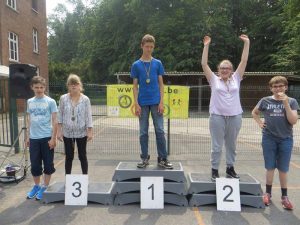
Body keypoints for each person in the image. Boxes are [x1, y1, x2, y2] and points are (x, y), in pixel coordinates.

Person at [201, 34, 250, 181]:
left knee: (231, 145)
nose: (224, 70)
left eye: (227, 68)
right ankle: (215, 170)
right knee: (216, 146)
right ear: (218, 69)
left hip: (235, 116)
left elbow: (244, 60)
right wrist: (206, 46)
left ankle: (230, 168)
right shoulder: (213, 80)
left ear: (231, 70)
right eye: (222, 68)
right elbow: (204, 64)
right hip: (217, 116)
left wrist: (247, 43)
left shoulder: (236, 78)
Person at [252, 76, 298, 210]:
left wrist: (286, 104)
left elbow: (293, 121)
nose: (278, 89)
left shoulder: (292, 101)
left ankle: (284, 197)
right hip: (269, 138)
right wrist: (260, 123)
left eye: (280, 86)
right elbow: (254, 113)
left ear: (285, 87)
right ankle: (268, 193)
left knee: (283, 169)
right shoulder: (265, 100)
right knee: (270, 167)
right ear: (271, 88)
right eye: (275, 87)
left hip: (286, 139)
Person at [131, 34, 173, 169]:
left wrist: (161, 102)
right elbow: (135, 86)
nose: (149, 49)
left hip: (156, 102)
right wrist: (136, 104)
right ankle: (144, 158)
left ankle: (163, 158)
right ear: (141, 46)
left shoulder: (158, 63)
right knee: (143, 132)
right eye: (147, 46)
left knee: (160, 130)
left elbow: (161, 84)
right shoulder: (136, 65)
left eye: (151, 47)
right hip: (142, 103)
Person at [26, 76, 58, 200]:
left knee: (48, 164)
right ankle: (37, 186)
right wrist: (28, 137)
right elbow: (29, 120)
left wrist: (53, 138)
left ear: (45, 87)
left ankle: (45, 187)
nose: (39, 89)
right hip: (34, 139)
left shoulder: (51, 101)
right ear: (32, 87)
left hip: (46, 138)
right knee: (35, 165)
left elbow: (55, 121)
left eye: (41, 87)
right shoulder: (30, 101)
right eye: (36, 87)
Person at [57, 74, 93, 174]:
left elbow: (88, 115)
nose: (73, 86)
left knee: (82, 155)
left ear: (79, 85)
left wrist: (90, 131)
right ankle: (68, 178)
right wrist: (59, 131)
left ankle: (84, 177)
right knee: (69, 156)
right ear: (68, 86)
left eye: (76, 83)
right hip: (67, 133)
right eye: (71, 84)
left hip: (81, 132)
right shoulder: (63, 98)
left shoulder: (85, 99)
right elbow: (60, 114)